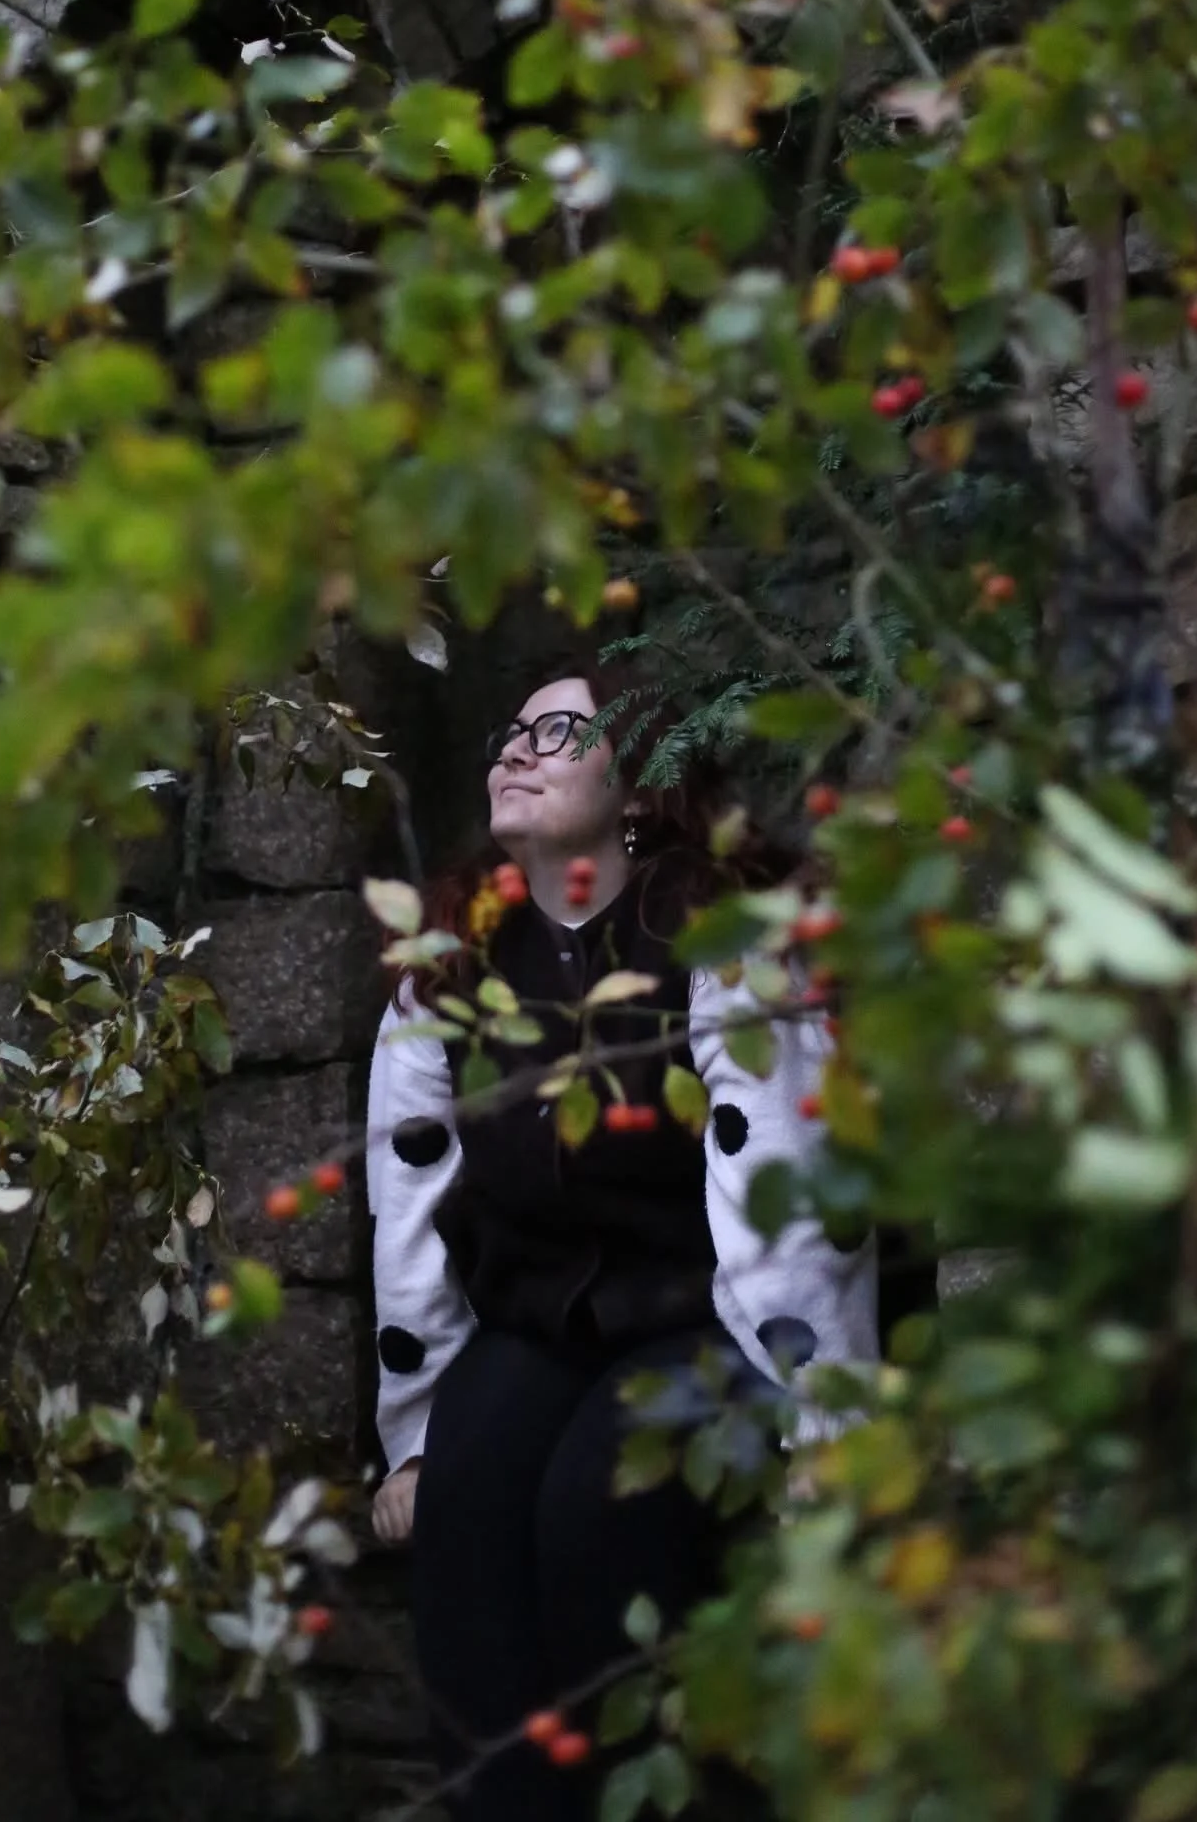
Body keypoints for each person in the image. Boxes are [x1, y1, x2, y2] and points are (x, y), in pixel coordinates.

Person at [364, 662, 879, 1821]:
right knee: (466, 1508)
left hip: (710, 1321)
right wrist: (408, 1444)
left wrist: (824, 1419)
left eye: (558, 729)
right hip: (543, 1319)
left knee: (599, 1509)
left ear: (638, 785)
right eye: (510, 729)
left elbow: (786, 1202)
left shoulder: (719, 938)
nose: (515, 748)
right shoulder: (448, 965)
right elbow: (410, 1204)